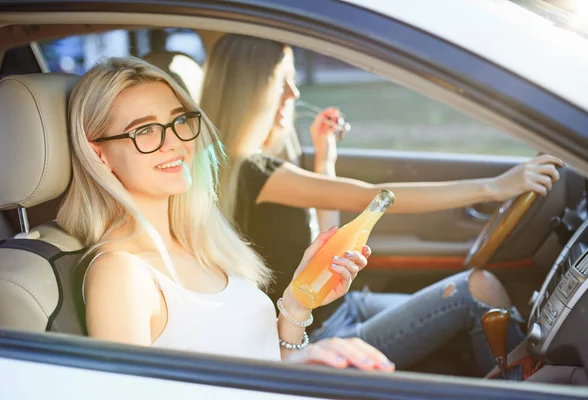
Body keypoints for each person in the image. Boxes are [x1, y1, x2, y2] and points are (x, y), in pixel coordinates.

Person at [199, 34, 564, 374]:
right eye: (282, 81)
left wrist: (325, 159)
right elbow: (371, 197)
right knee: (478, 290)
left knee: (480, 295)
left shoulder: (253, 167)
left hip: (340, 306)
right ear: (250, 90)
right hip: (319, 332)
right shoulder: (253, 171)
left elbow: (325, 240)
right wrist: (493, 186)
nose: (293, 93)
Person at [55, 57, 396, 373]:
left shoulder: (200, 239)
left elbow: (261, 359)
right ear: (98, 153)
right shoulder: (121, 273)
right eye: (145, 130)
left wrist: (296, 304)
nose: (173, 142)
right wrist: (292, 371)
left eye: (178, 121)